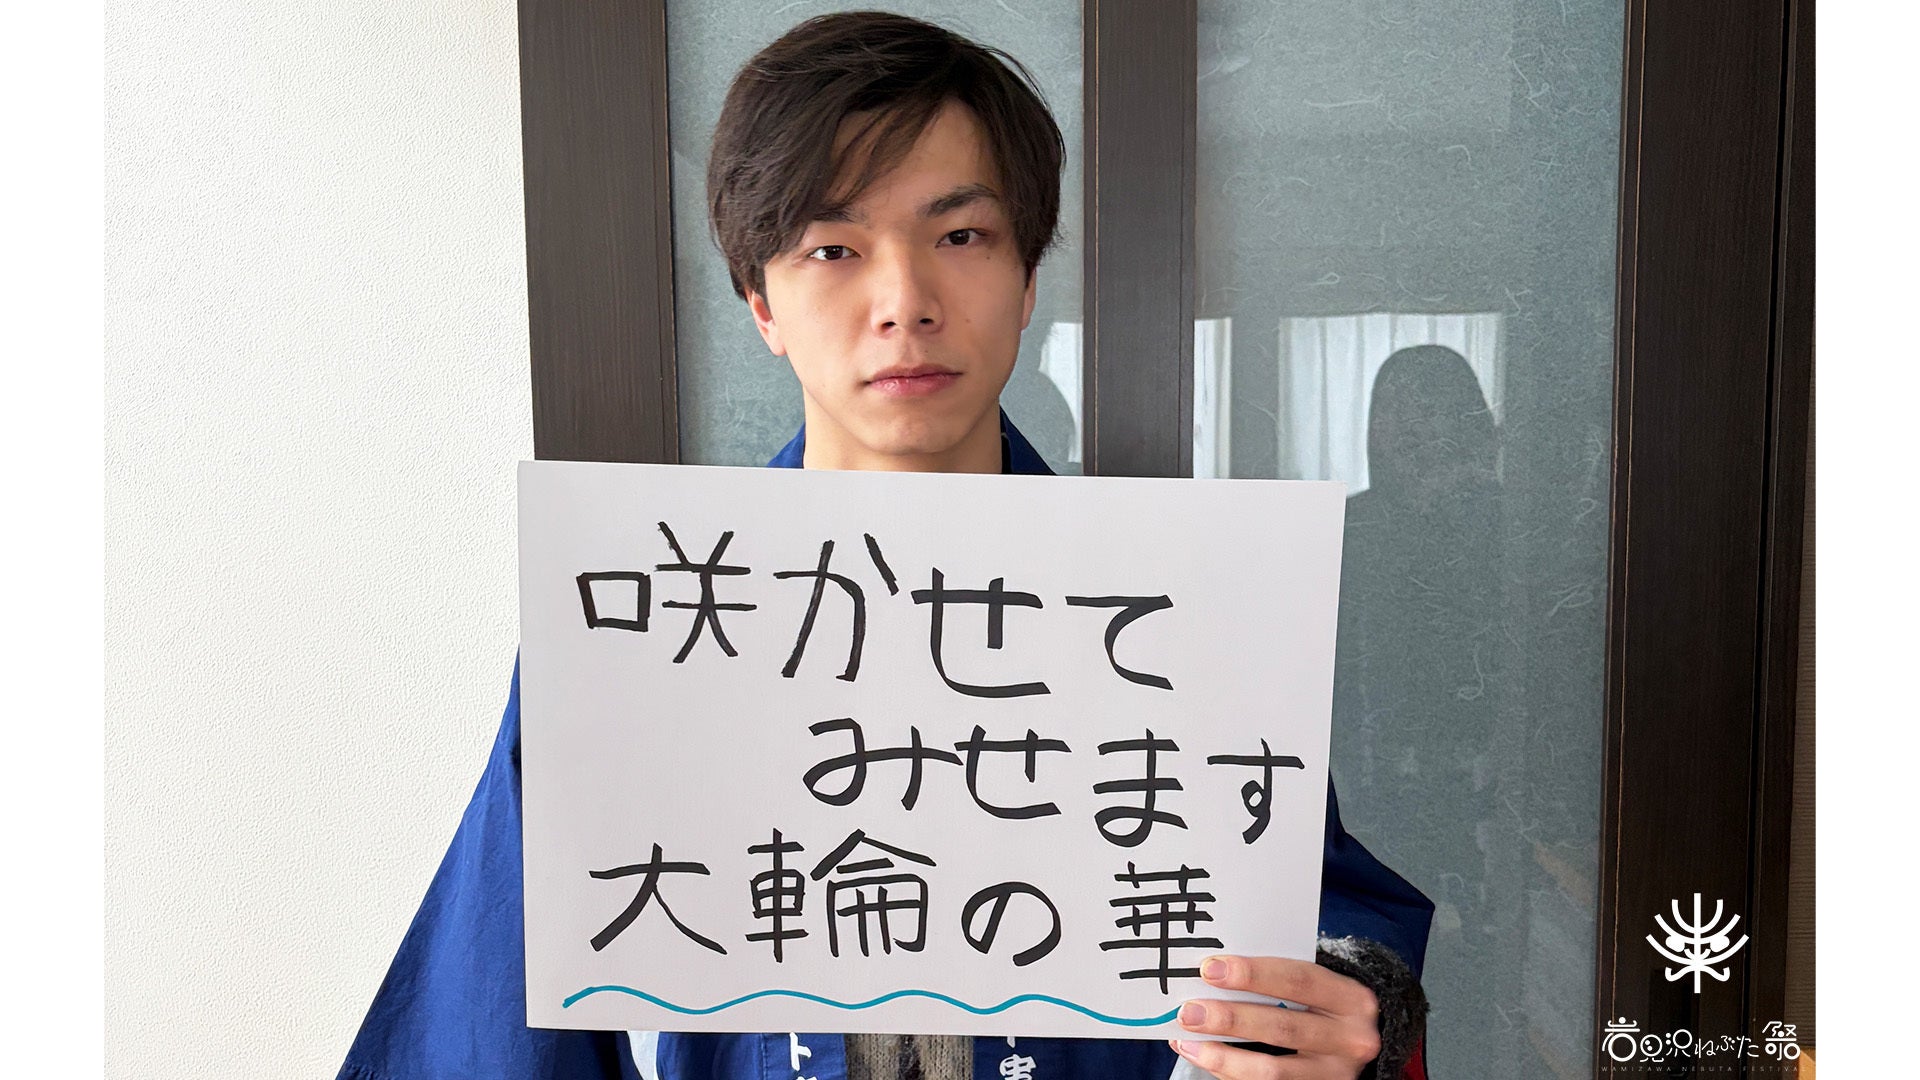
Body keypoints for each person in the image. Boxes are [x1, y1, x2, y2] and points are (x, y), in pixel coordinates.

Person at [339, 12, 1433, 1080]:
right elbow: (489, 1012)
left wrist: (1347, 1005)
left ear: (1027, 280)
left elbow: (1311, 908)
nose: (905, 301)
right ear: (761, 303)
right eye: (832, 248)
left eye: (960, 236)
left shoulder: (1170, 611)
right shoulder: (638, 626)